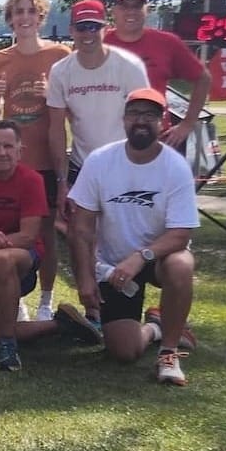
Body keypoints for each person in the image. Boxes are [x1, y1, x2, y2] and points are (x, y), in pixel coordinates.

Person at [67, 89, 199, 385]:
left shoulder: (175, 167)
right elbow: (82, 227)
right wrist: (86, 278)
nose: (141, 121)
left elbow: (181, 233)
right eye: (135, 114)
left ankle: (169, 354)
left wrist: (142, 256)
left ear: (162, 121)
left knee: (181, 264)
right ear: (124, 119)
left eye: (150, 115)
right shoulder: (100, 161)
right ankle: (156, 327)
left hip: (157, 258)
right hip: (114, 266)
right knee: (124, 352)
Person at [0, 119, 102, 370]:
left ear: (20, 150)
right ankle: (62, 325)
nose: (1, 153)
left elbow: (29, 236)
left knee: (4, 259)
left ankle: (8, 346)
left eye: (8, 146)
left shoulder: (31, 180)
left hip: (23, 256)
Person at [0, 0, 71, 321]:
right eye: (18, 12)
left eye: (30, 12)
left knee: (46, 232)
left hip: (45, 160)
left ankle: (46, 300)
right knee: (12, 230)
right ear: (10, 19)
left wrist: (53, 94)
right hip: (11, 164)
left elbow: (70, 110)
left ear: (41, 17)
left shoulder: (60, 55)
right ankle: (15, 296)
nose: (24, 18)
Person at [48, 0, 150, 217]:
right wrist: (61, 181)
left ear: (105, 27)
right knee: (80, 233)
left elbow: (145, 120)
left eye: (94, 27)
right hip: (82, 164)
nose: (88, 34)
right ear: (71, 30)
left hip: (125, 163)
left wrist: (142, 167)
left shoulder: (129, 66)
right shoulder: (60, 71)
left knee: (125, 232)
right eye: (81, 27)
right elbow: (56, 129)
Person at [104, 0, 211, 149]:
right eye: (125, 6)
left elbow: (203, 78)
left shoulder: (167, 42)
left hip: (155, 137)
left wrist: (188, 123)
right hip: (109, 138)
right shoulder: (101, 43)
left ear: (147, 9)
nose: (131, 12)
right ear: (114, 11)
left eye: (137, 6)